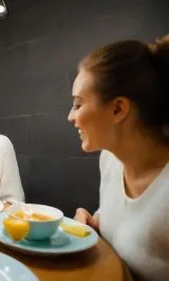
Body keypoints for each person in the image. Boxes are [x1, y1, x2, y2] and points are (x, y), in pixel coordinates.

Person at [69, 35, 169, 281]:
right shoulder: (110, 160)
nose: (71, 117)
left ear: (118, 109)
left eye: (78, 105)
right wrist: (94, 223)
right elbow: (126, 223)